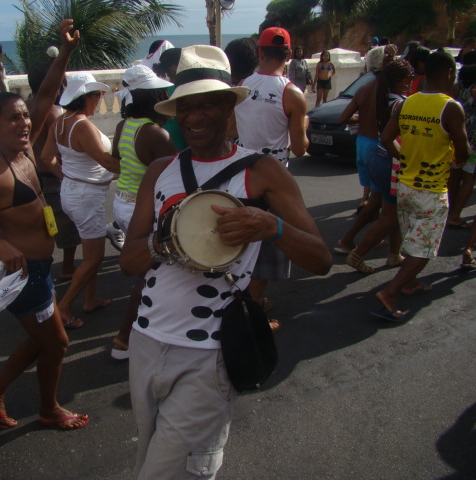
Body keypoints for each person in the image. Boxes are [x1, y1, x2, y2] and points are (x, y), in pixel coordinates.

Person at [119, 44, 331, 479]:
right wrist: (167, 243)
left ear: (229, 107)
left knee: (165, 472)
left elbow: (321, 258)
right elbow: (128, 261)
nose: (194, 118)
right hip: (146, 339)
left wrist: (270, 226)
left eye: (207, 106)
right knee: (150, 456)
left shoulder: (262, 172)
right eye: (185, 108)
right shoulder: (161, 170)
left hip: (209, 349)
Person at [0, 20, 89, 431]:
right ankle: (49, 409)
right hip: (22, 275)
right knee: (57, 343)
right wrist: (0, 246)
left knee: (41, 342)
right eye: (13, 119)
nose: (24, 123)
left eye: (24, 116)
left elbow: (48, 92)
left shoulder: (26, 152)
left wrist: (65, 52)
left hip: (40, 270)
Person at [377, 49, 470, 321]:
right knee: (425, 247)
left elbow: (385, 139)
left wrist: (402, 155)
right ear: (449, 73)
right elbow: (463, 152)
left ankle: (409, 283)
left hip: (405, 185)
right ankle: (390, 291)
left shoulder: (407, 103)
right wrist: (456, 160)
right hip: (431, 189)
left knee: (412, 241)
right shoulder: (450, 107)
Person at [234, 26, 310, 326]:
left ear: (259, 53)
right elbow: (300, 149)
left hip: (240, 174)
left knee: (240, 244)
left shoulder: (242, 86)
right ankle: (248, 313)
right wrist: (305, 131)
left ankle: (243, 302)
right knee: (267, 248)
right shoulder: (292, 94)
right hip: (274, 180)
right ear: (289, 54)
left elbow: (231, 130)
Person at [41, 72, 120, 329]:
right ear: (87, 97)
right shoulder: (82, 125)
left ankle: (91, 298)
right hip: (86, 197)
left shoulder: (61, 121)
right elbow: (106, 161)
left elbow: (46, 158)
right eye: (98, 95)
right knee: (94, 257)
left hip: (71, 191)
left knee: (90, 252)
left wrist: (67, 176)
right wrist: (139, 168)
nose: (99, 100)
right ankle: (63, 307)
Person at [108, 65, 176, 360]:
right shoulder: (155, 133)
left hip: (121, 202)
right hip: (140, 208)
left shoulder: (125, 125)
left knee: (147, 268)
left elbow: (116, 158)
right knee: (150, 273)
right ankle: (123, 339)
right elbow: (175, 173)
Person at [342, 60, 414, 273]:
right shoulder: (401, 104)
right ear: (403, 81)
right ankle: (358, 254)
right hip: (390, 159)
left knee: (392, 210)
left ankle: (394, 254)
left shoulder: (382, 97)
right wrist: (402, 158)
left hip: (377, 157)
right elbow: (390, 139)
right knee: (390, 215)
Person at [336, 45, 399, 263]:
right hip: (379, 147)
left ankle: (375, 242)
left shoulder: (364, 88)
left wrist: (363, 119)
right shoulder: (387, 91)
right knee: (383, 201)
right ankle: (377, 244)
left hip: (362, 143)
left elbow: (344, 117)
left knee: (377, 199)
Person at [27, 61, 81, 281]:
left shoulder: (27, 105)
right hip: (53, 175)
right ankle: (67, 267)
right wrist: (67, 177)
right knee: (68, 227)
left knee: (43, 226)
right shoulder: (54, 112)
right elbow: (54, 153)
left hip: (35, 176)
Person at [447, 51, 476, 230]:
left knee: (455, 175)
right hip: (473, 142)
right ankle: (455, 215)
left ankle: (449, 212)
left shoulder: (458, 86)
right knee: (469, 178)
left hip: (457, 137)